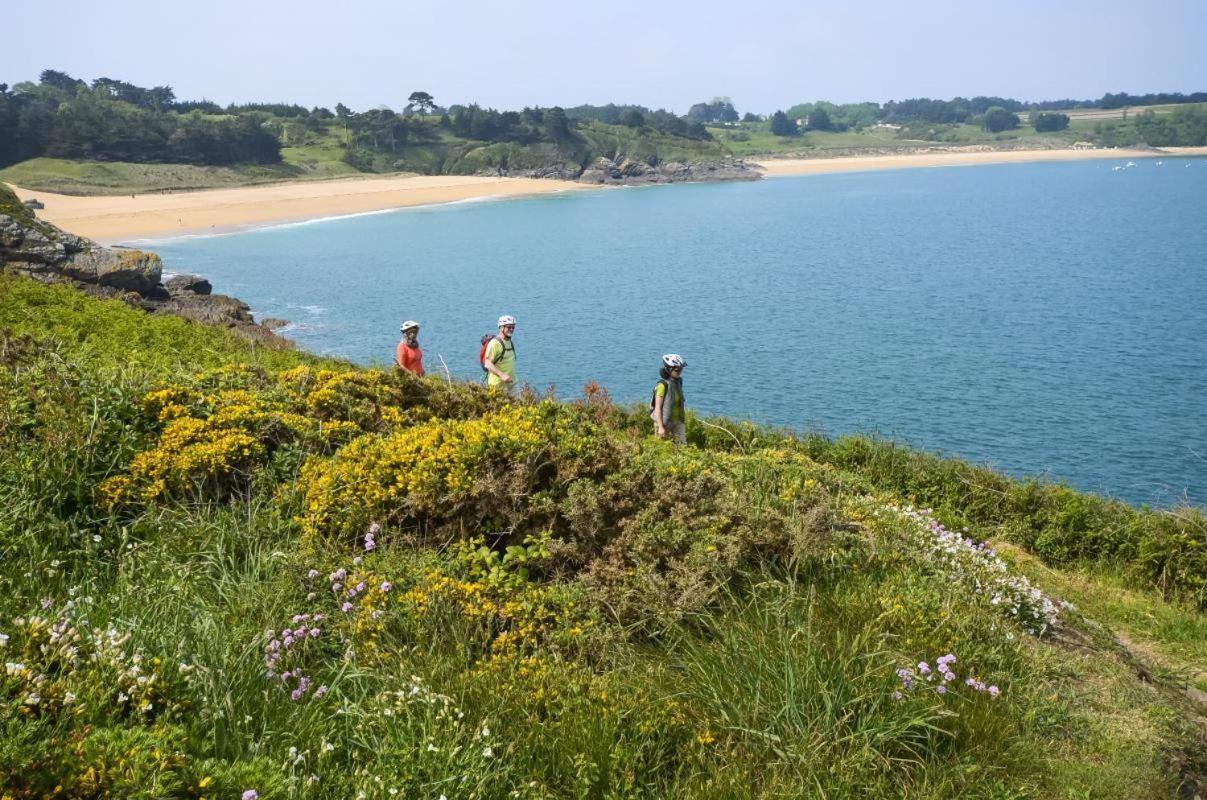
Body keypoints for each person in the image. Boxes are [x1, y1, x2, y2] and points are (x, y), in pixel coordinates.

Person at [651, 354, 687, 444]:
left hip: (678, 421)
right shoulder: (662, 385)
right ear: (669, 369)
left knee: (682, 446)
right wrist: (660, 427)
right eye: (677, 369)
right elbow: (658, 408)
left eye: (681, 369)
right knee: (662, 448)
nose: (679, 371)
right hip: (664, 422)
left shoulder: (678, 381)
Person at [483, 315, 517, 391]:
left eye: (513, 327)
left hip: (511, 383)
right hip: (497, 385)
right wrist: (502, 375)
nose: (511, 329)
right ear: (501, 327)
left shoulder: (509, 342)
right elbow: (487, 363)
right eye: (509, 327)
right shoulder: (495, 343)